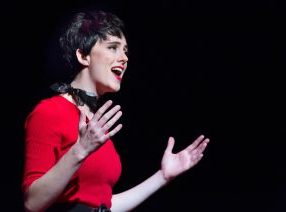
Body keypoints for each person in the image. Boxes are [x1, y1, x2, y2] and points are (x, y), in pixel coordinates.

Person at [22, 10, 210, 212]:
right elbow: (33, 203)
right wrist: (80, 150)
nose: (124, 58)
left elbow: (105, 206)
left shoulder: (97, 127)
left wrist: (163, 176)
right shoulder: (50, 111)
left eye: (126, 51)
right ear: (84, 56)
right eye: (113, 48)